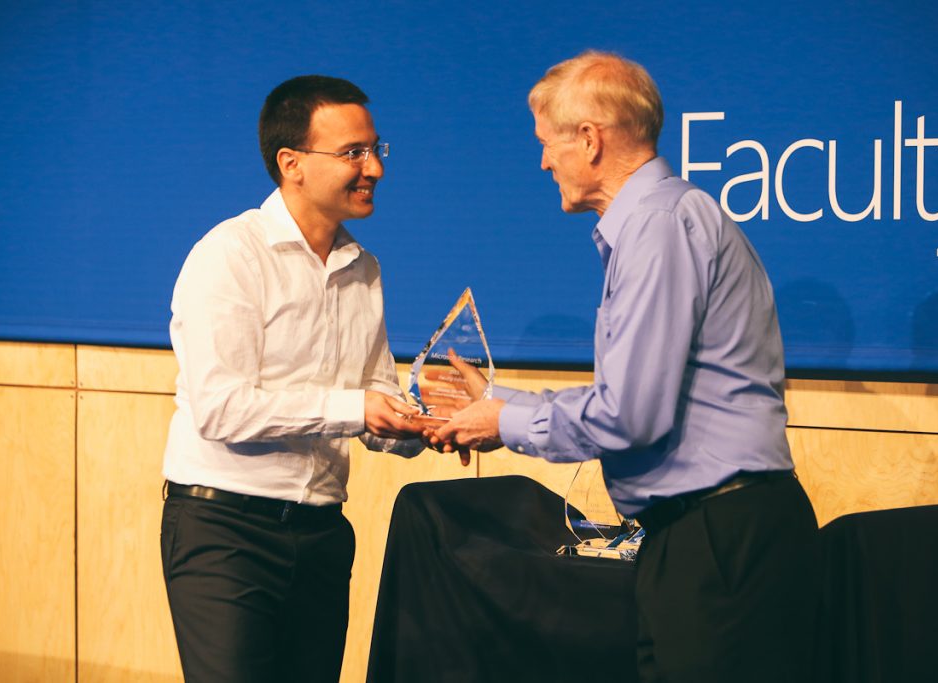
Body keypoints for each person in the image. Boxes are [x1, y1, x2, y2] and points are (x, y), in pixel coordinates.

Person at [431, 51, 820, 683]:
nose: (542, 161)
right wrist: (500, 399)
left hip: (720, 540)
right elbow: (631, 395)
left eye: (547, 143)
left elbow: (630, 414)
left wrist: (501, 423)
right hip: (697, 535)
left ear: (589, 139)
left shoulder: (658, 225)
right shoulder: (656, 221)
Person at [160, 75, 425, 683]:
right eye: (353, 153)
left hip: (323, 535)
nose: (374, 169)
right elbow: (222, 409)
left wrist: (424, 423)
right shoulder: (229, 255)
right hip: (226, 533)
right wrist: (358, 409)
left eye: (376, 149)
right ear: (292, 164)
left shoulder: (364, 268)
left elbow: (374, 408)